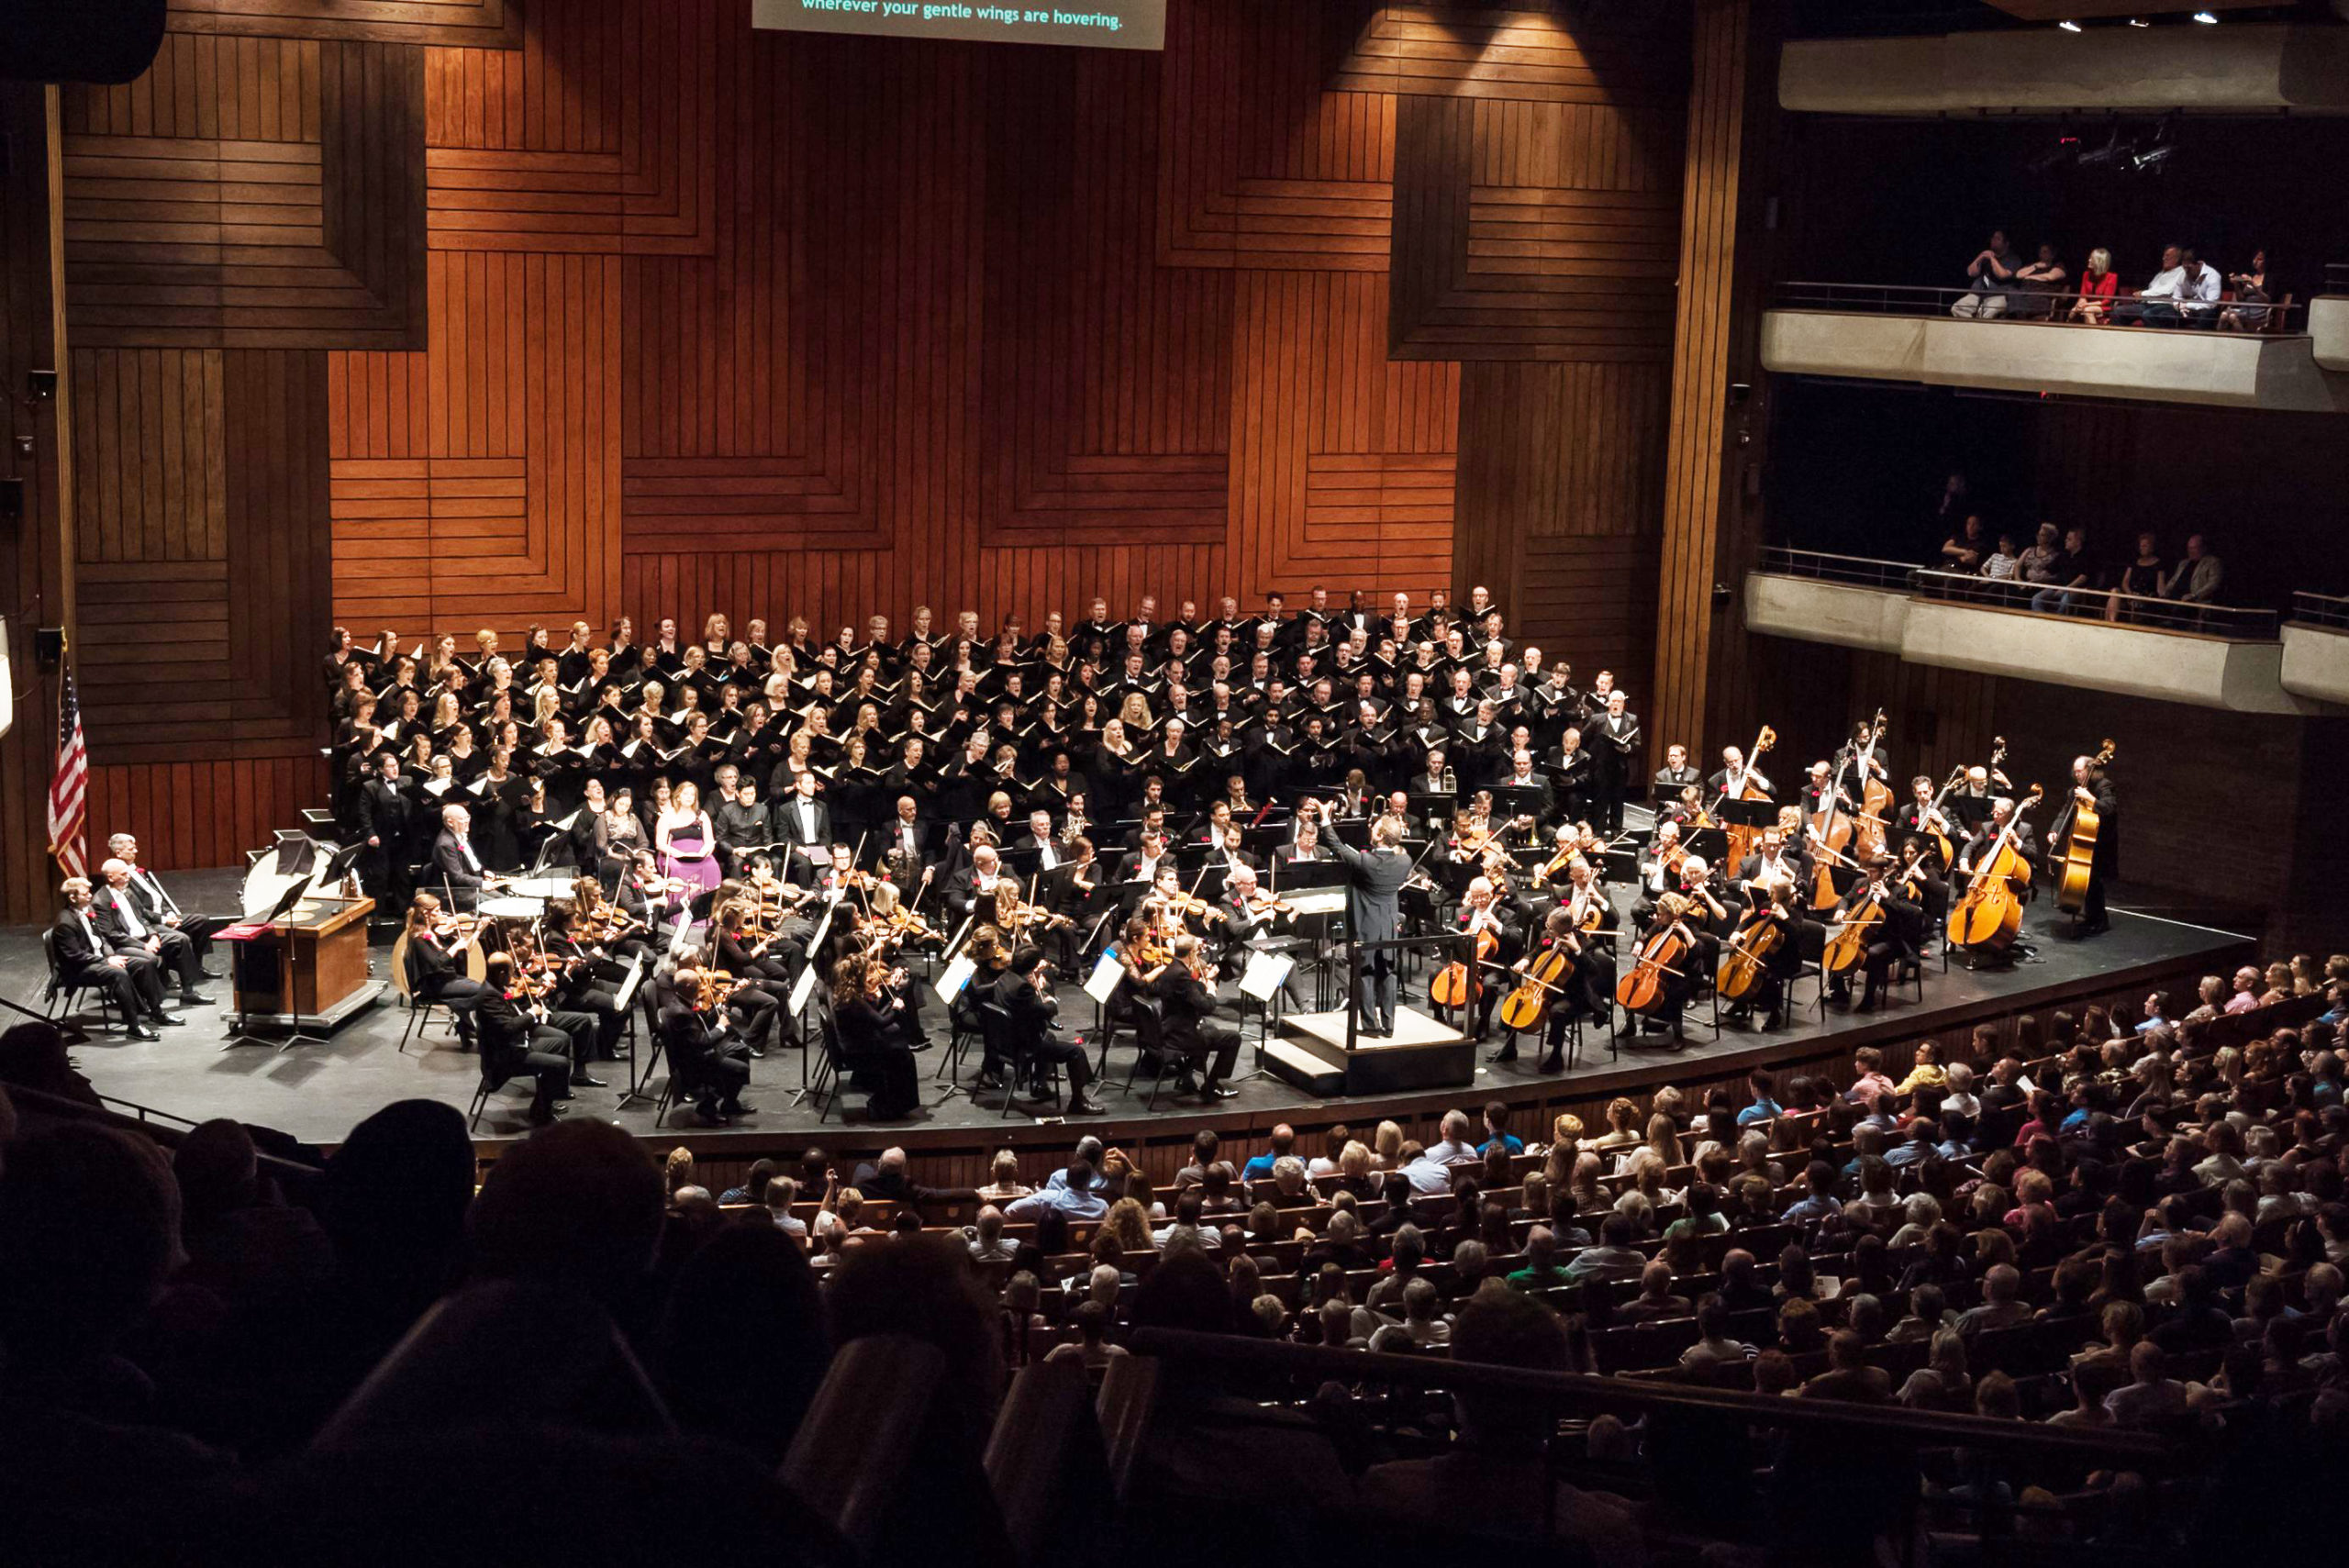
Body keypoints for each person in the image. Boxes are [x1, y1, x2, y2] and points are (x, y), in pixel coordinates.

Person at [50, 876, 175, 1039]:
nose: (90, 896)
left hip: (96, 959)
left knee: (143, 963)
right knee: (118, 973)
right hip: (77, 969)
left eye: (89, 892)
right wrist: (106, 961)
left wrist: (110, 955)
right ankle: (134, 1026)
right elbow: (74, 956)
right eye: (85, 894)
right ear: (72, 898)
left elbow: (101, 938)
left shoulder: (88, 910)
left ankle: (156, 1012)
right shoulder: (65, 923)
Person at [1324, 813, 1413, 1037]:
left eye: (1374, 828)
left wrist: (1325, 819)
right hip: (1389, 926)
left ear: (1380, 836)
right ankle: (1389, 1026)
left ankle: (1371, 1026)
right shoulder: (1405, 861)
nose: (1370, 830)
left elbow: (1336, 846)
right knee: (1389, 974)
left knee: (1365, 973)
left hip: (1366, 926)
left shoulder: (1366, 862)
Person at [472, 952, 579, 1126]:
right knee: (560, 1064)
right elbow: (508, 1028)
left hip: (514, 1045)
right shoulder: (488, 996)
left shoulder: (495, 988)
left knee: (561, 1042)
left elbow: (512, 1018)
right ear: (502, 974)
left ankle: (544, 1103)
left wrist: (538, 998)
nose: (513, 975)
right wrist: (531, 1014)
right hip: (503, 1057)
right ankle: (543, 1114)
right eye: (511, 972)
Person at [91, 858, 207, 1007]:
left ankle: (188, 992)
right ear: (111, 877)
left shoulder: (128, 892)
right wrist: (143, 946)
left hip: (144, 937)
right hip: (125, 944)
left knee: (181, 939)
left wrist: (153, 936)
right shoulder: (101, 901)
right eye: (123, 874)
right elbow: (112, 934)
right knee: (149, 958)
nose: (128, 877)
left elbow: (143, 917)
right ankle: (154, 1005)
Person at [2047, 750, 2119, 935]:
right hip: (2082, 842)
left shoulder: (2104, 786)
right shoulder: (2074, 791)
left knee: (2093, 881)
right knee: (2084, 882)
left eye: (2080, 771)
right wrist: (2055, 831)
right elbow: (2065, 813)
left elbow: (2109, 809)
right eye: (2075, 771)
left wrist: (2090, 799)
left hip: (2101, 843)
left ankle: (2100, 920)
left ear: (2090, 770)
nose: (2077, 774)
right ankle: (2089, 917)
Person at [1950, 229, 2018, 318]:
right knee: (1957, 308)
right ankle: (1973, 325)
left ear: (2006, 243)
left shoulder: (2013, 259)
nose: (1993, 240)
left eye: (1998, 239)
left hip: (1997, 296)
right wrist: (1980, 257)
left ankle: (1977, 325)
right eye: (1993, 238)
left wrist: (1993, 259)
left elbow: (2002, 275)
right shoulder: (1985, 257)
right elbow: (1971, 273)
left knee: (1986, 313)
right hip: (1977, 294)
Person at [2068, 246, 2119, 324]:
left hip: (2104, 307)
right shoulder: (2086, 274)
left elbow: (2106, 301)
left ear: (2100, 262)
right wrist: (2080, 304)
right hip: (2088, 304)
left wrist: (2086, 305)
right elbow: (2083, 295)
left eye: (2092, 259)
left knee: (2088, 310)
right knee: (2073, 312)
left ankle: (2093, 331)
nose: (2089, 260)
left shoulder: (2112, 277)